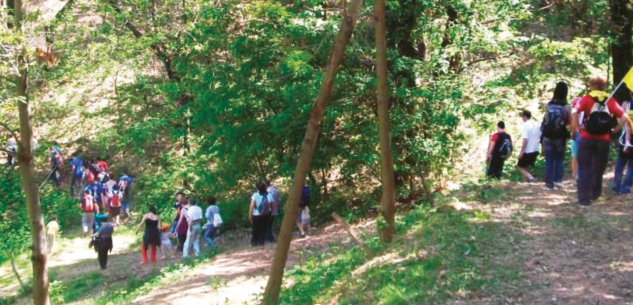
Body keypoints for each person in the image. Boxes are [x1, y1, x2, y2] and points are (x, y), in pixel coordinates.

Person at [572, 76, 630, 206]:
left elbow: (574, 111)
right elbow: (625, 116)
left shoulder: (587, 98)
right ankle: (595, 194)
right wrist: (616, 129)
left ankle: (583, 199)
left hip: (587, 137)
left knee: (585, 168)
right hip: (604, 139)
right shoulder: (610, 100)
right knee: (598, 168)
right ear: (604, 86)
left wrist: (577, 127)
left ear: (591, 85)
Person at [541, 82, 572, 190]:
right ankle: (558, 181)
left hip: (547, 136)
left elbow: (545, 120)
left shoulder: (549, 105)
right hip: (560, 137)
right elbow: (570, 122)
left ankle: (549, 184)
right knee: (559, 158)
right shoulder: (566, 107)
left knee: (549, 160)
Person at [613, 96, 633, 194]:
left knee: (621, 162)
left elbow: (619, 118)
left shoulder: (626, 103)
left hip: (625, 137)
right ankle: (626, 187)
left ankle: (616, 185)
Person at [516, 110, 541, 182]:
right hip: (536, 148)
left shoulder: (525, 125)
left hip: (528, 149)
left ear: (524, 117)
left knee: (519, 166)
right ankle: (529, 180)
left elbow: (525, 139)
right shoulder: (537, 124)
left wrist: (521, 151)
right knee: (525, 166)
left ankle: (531, 178)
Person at [249, 181, 274, 246]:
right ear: (265, 187)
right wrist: (271, 214)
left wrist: (250, 215)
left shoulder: (255, 195)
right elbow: (272, 206)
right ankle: (261, 243)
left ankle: (254, 242)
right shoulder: (269, 195)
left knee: (255, 229)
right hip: (266, 215)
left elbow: (252, 206)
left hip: (256, 215)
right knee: (263, 229)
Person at [570, 96, 584, 181]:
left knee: (574, 157)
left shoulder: (573, 114)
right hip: (583, 136)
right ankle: (580, 175)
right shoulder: (585, 113)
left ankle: (575, 175)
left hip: (574, 137)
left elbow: (571, 127)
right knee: (582, 157)